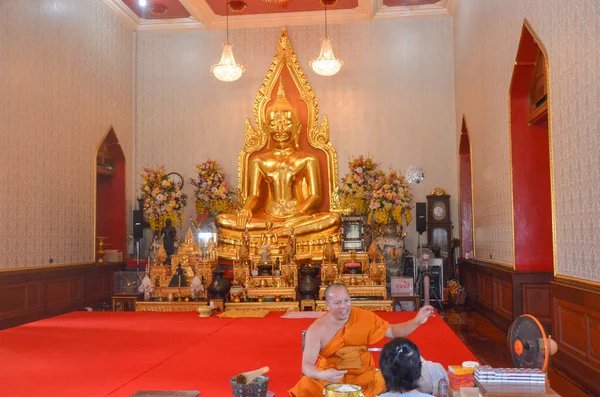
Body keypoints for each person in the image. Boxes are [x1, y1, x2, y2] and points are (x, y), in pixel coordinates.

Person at [215, 79, 341, 238]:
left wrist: (299, 214)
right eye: (273, 124)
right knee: (223, 220)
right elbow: (254, 196)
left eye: (286, 123)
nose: (280, 129)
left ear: (298, 128)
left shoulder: (308, 160)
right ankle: (282, 231)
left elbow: (315, 196)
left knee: (333, 219)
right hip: (268, 218)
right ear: (266, 128)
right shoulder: (258, 161)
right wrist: (246, 209)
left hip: (299, 218)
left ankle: (274, 233)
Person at [289, 284, 435, 397]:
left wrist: (416, 321)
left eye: (347, 300)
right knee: (306, 384)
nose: (344, 307)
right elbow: (306, 365)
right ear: (327, 305)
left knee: (398, 374)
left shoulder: (364, 317)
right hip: (330, 382)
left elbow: (393, 331)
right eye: (337, 303)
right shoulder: (317, 329)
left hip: (365, 380)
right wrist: (322, 375)